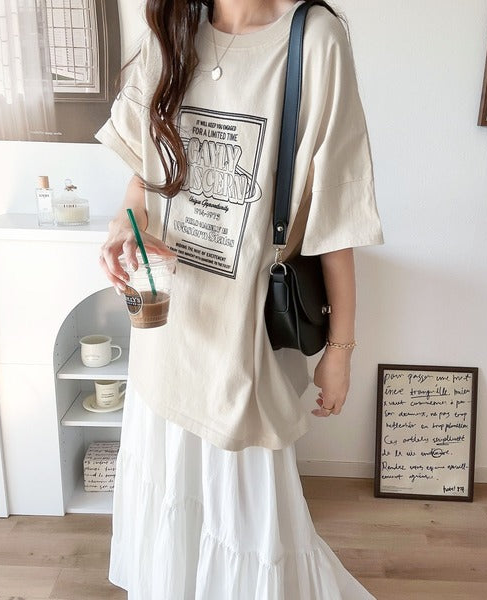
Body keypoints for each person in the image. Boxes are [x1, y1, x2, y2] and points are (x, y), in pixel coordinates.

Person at [96, 0, 384, 598]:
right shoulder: (171, 29)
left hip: (241, 347)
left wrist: (341, 350)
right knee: (172, 506)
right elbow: (144, 178)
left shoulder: (314, 40)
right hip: (166, 329)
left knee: (251, 531)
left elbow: (336, 217)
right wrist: (125, 225)